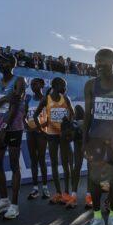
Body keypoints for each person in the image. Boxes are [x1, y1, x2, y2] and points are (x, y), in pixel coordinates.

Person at [83, 49, 113, 225]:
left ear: (112, 61)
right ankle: (97, 218)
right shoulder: (91, 85)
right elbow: (87, 114)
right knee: (93, 180)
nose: (99, 64)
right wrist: (84, 140)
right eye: (96, 61)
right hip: (95, 139)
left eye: (102, 61)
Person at [0, 54, 26, 219]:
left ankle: (15, 206)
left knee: (14, 165)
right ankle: (4, 200)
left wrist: (4, 128)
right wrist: (5, 98)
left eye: (4, 61)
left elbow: (15, 107)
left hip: (13, 127)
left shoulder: (19, 80)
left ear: (12, 64)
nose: (0, 64)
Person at [34, 77, 74, 205]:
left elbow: (72, 113)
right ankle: (58, 193)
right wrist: (41, 130)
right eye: (63, 85)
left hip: (63, 136)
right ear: (56, 85)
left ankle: (66, 193)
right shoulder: (46, 99)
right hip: (51, 135)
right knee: (54, 164)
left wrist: (67, 124)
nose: (65, 88)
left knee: (65, 164)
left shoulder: (65, 99)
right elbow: (35, 115)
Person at [25, 78, 49, 200]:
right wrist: (27, 127)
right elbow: (24, 115)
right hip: (31, 133)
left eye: (36, 83)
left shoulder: (46, 99)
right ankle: (35, 189)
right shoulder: (28, 99)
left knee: (41, 159)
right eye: (32, 84)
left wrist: (39, 128)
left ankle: (45, 188)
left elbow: (49, 118)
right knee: (33, 160)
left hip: (42, 133)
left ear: (42, 84)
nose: (33, 85)